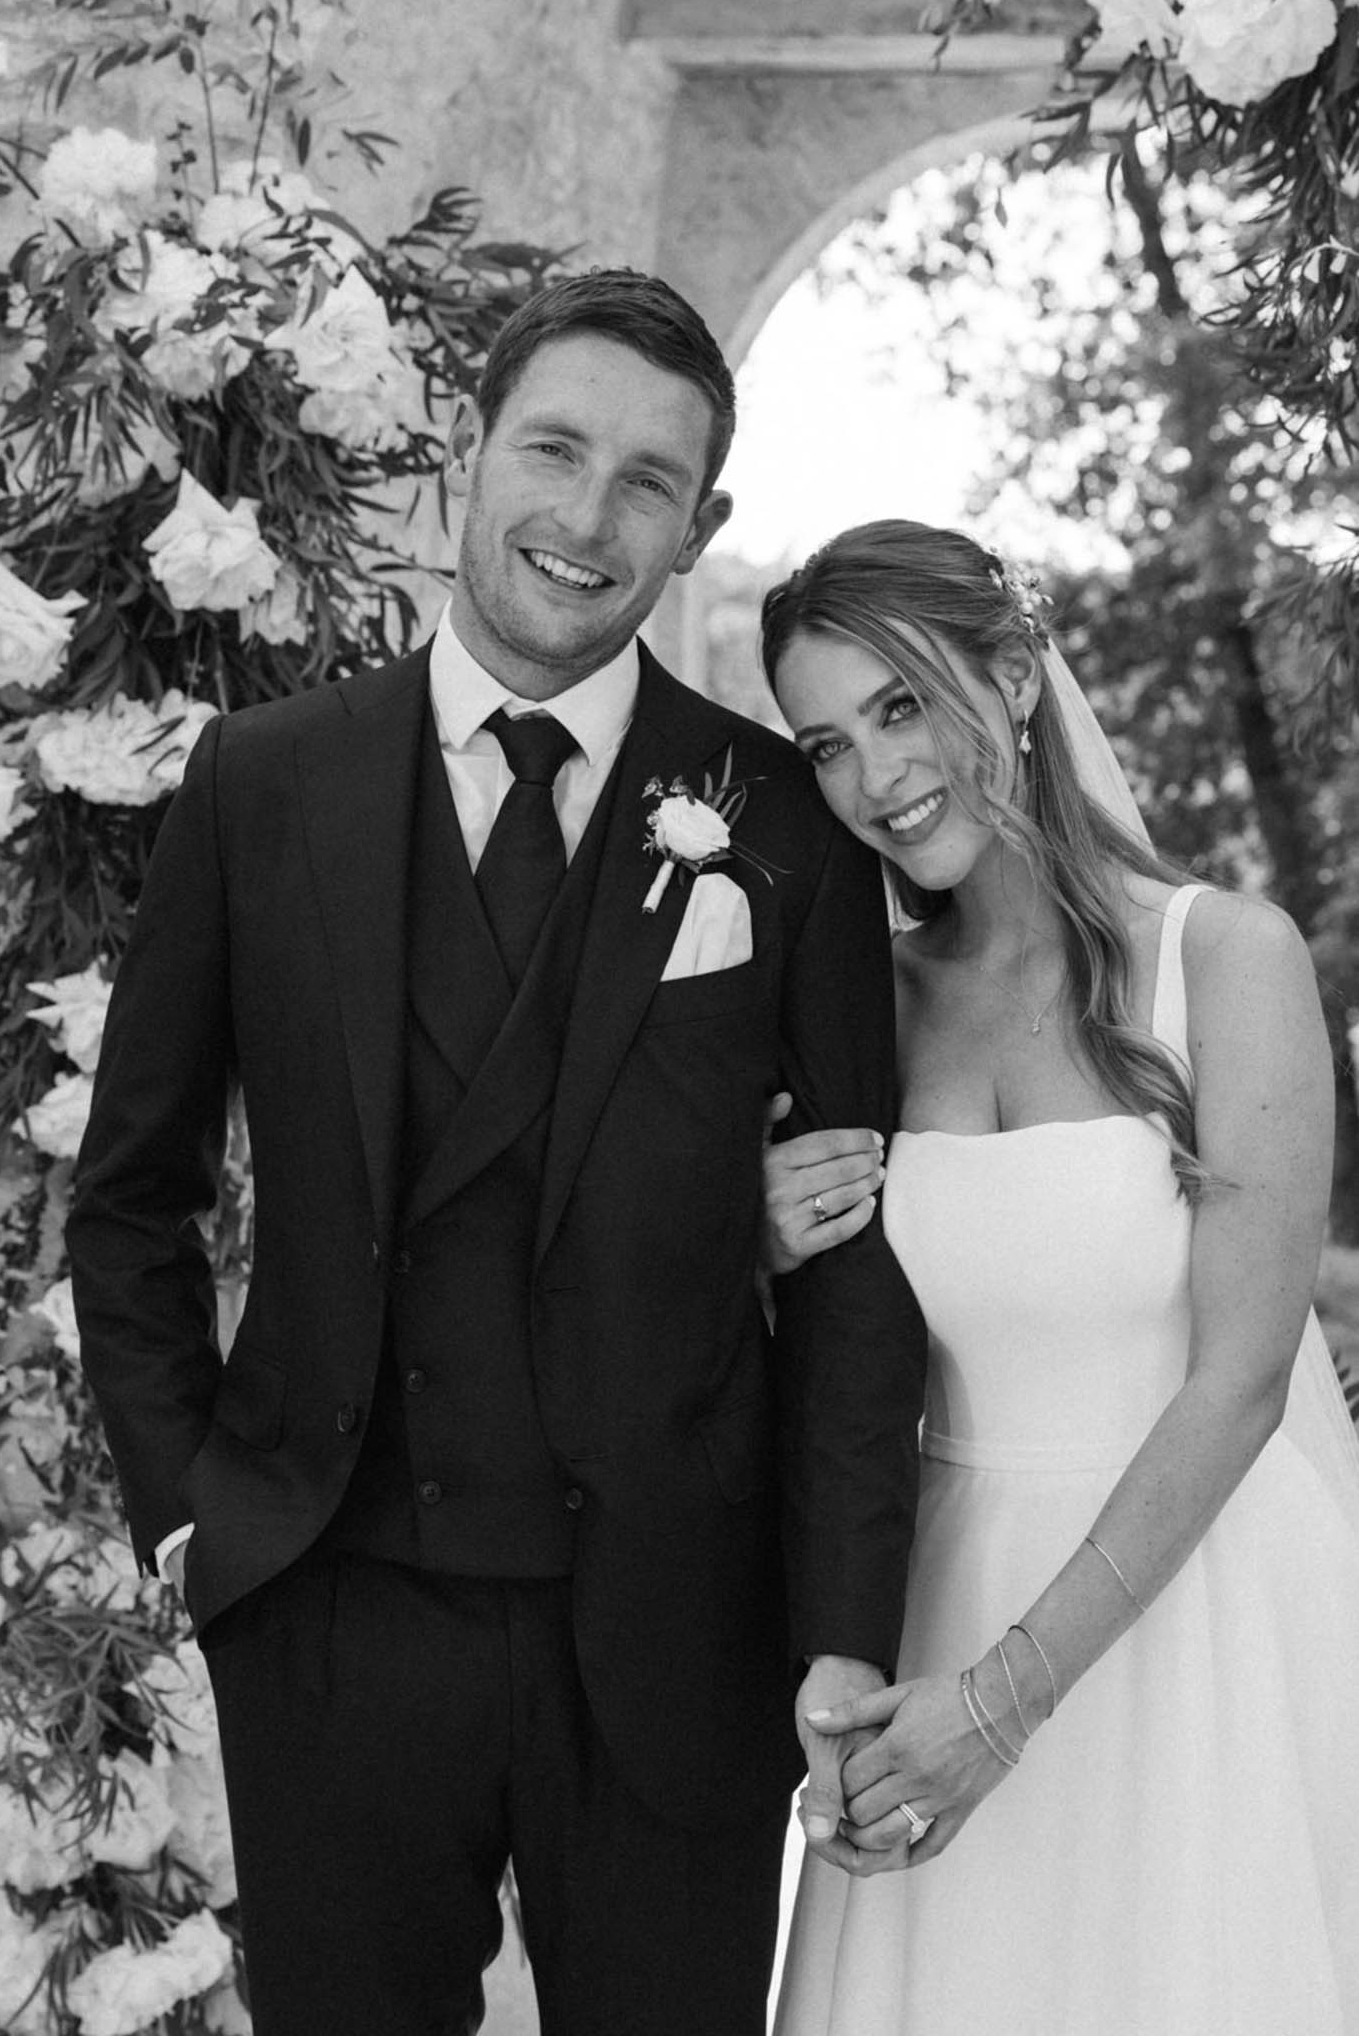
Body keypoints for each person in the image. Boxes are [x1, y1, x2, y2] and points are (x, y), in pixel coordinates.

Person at [66, 275, 929, 2036]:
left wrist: (844, 1624)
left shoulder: (783, 827)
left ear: (701, 529)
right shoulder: (262, 782)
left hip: (674, 1629)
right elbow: (133, 1197)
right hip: (330, 1610)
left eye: (644, 481)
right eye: (553, 448)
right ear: (468, 452)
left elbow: (852, 1268)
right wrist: (188, 1528)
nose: (585, 516)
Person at [759, 518, 1359, 2036]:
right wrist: (758, 1240)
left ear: (1013, 676)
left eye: (902, 705)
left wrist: (1005, 1701)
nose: (874, 778)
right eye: (823, 744)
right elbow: (819, 1359)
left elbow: (1236, 1382)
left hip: (1198, 1598)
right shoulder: (854, 1009)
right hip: (936, 1600)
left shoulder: (1224, 960)